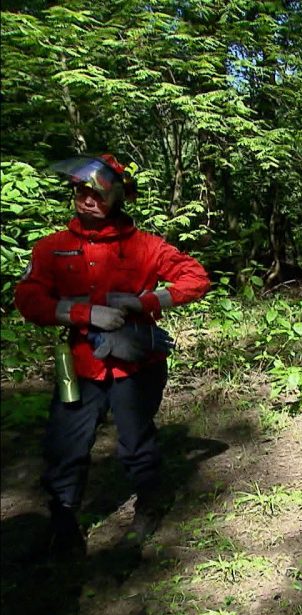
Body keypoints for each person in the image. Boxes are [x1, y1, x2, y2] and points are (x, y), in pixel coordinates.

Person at [15, 154, 210, 556]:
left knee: (137, 443)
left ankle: (148, 507)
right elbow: (29, 299)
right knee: (66, 445)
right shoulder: (53, 248)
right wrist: (82, 313)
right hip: (80, 364)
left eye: (98, 193)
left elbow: (195, 278)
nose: (87, 199)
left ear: (118, 197)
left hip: (137, 365)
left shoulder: (145, 246)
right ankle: (64, 519)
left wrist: (146, 302)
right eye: (81, 191)